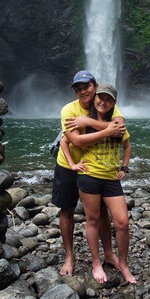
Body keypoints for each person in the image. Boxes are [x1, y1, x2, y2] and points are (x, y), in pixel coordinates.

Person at [53, 71, 126, 276]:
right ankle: (70, 256)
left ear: (95, 86)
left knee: (101, 212)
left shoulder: (105, 102)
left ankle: (109, 254)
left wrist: (89, 123)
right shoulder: (69, 110)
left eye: (86, 86)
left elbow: (120, 128)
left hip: (94, 168)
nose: (83, 91)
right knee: (66, 209)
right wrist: (107, 130)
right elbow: (74, 141)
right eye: (78, 88)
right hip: (68, 165)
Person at [75, 84, 136, 285]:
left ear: (113, 104)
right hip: (89, 176)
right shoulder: (83, 121)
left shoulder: (117, 124)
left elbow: (127, 146)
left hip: (111, 179)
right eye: (100, 97)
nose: (103, 102)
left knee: (122, 222)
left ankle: (123, 264)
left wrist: (124, 168)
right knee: (92, 220)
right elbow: (71, 141)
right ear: (94, 99)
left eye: (108, 99)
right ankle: (96, 263)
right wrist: (75, 164)